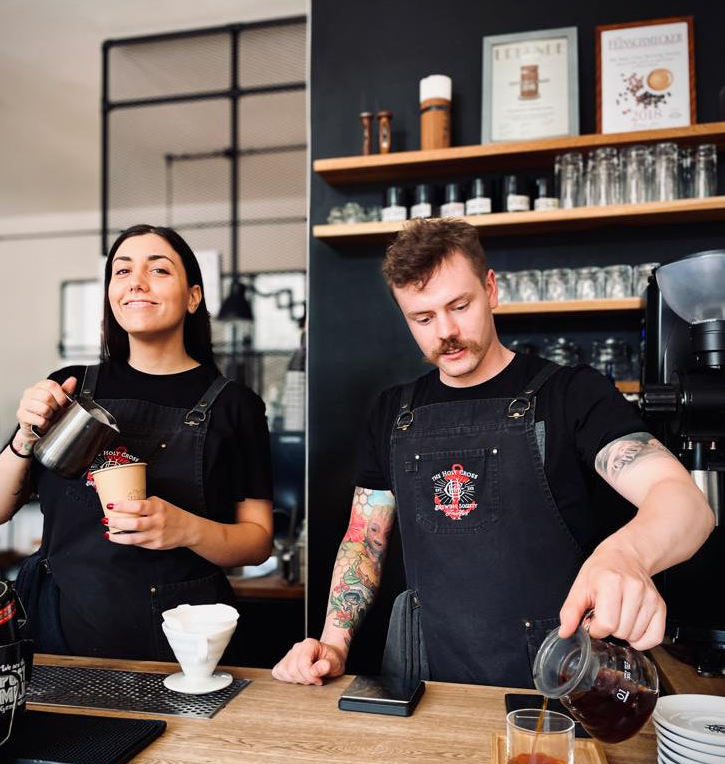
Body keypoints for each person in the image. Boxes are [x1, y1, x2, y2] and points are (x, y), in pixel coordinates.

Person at [273, 219, 714, 688]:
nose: (445, 331)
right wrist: (333, 642)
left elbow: (685, 503)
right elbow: (365, 539)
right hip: (425, 678)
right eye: (422, 319)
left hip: (559, 674)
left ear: (491, 290)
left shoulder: (570, 395)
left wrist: (626, 555)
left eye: (459, 306)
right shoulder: (394, 412)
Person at [0, 224, 273, 660]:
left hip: (182, 639)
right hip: (56, 629)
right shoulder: (69, 388)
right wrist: (25, 436)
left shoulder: (234, 405)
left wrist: (184, 528)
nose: (136, 282)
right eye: (122, 271)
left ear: (193, 297)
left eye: (159, 270)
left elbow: (258, 541)